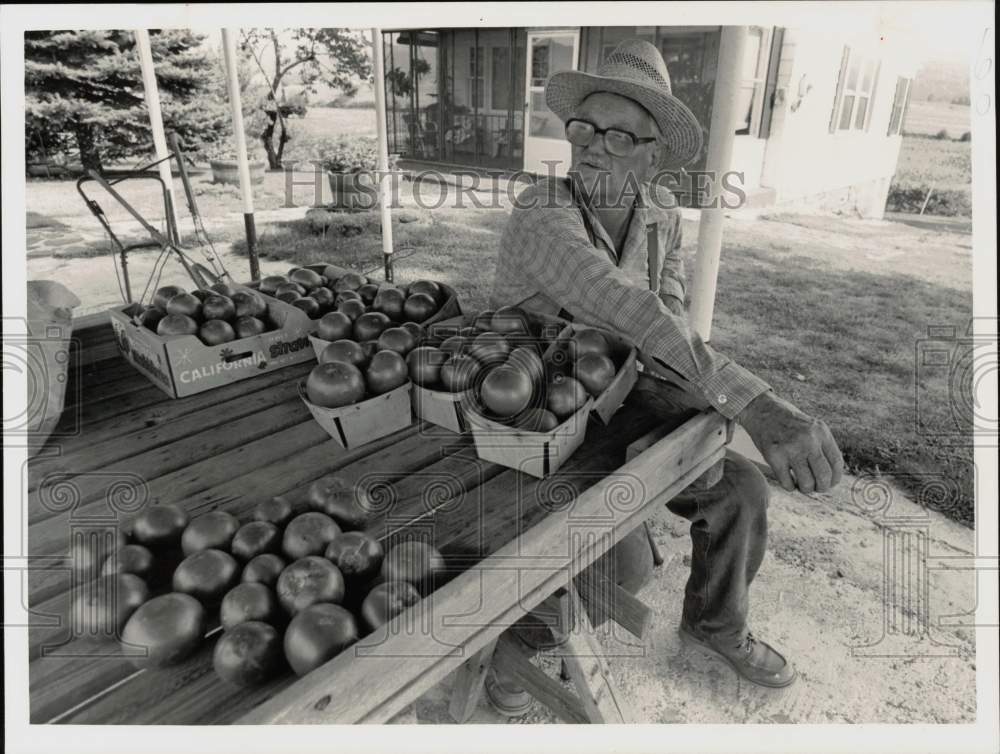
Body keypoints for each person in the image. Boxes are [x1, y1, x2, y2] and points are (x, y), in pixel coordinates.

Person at [486, 39, 844, 706]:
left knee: (739, 488)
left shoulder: (659, 214)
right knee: (597, 547)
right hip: (538, 414)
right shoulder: (543, 211)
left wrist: (716, 398)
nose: (594, 146)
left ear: (653, 154)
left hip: (621, 394)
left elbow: (670, 311)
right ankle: (520, 653)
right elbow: (629, 306)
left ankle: (715, 623)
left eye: (621, 136)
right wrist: (757, 407)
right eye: (585, 127)